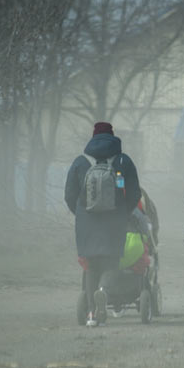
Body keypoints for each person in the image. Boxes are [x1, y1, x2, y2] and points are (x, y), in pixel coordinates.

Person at [64, 122, 141, 327]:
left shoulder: (81, 162)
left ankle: (90, 314)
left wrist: (81, 213)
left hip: (86, 222)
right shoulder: (123, 161)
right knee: (111, 262)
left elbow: (69, 194)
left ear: (93, 137)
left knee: (90, 266)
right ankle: (103, 292)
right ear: (112, 136)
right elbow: (134, 193)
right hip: (114, 220)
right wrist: (123, 213)